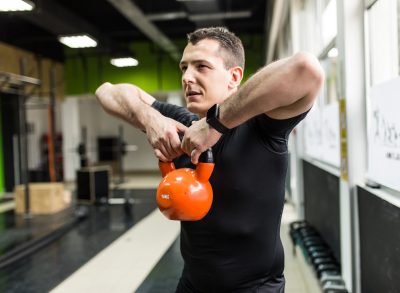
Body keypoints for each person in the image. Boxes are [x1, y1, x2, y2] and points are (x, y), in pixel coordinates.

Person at [95, 27, 323, 293]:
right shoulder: (182, 122)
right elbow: (107, 91)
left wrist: (216, 123)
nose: (187, 77)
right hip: (193, 285)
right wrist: (149, 118)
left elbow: (306, 69)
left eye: (201, 66)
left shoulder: (264, 125)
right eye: (184, 68)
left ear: (234, 76)